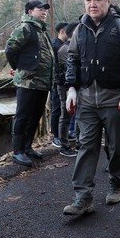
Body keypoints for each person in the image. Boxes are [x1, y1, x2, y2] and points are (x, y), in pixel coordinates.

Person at [62, 0, 120, 215]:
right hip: (86, 99)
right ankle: (83, 196)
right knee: (86, 146)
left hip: (114, 97)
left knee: (116, 146)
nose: (92, 4)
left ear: (108, 1)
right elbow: (72, 59)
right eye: (88, 0)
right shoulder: (80, 30)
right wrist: (71, 87)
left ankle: (116, 180)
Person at [5, 0, 55, 167]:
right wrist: (19, 67)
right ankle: (17, 151)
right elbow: (11, 49)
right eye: (40, 9)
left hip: (42, 82)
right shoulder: (25, 28)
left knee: (35, 115)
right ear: (30, 11)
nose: (44, 12)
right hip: (28, 82)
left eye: (45, 10)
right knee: (22, 115)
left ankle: (27, 148)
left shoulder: (41, 30)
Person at [54, 22, 78, 157]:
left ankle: (77, 142)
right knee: (66, 114)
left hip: (74, 86)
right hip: (65, 86)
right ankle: (64, 145)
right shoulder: (65, 49)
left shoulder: (74, 47)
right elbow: (68, 70)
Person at [50, 22, 69, 148]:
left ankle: (63, 134)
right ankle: (56, 136)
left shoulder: (63, 45)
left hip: (63, 80)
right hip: (56, 81)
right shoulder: (55, 45)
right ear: (62, 31)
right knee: (56, 108)